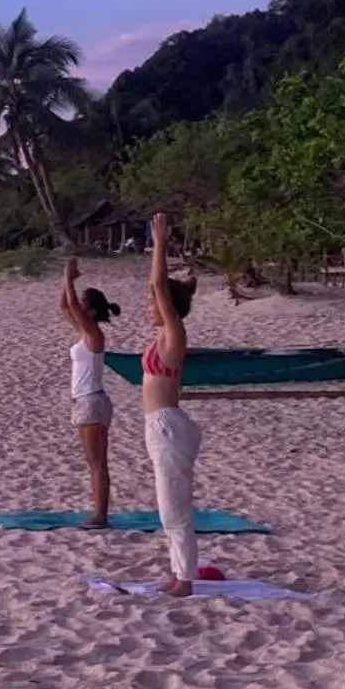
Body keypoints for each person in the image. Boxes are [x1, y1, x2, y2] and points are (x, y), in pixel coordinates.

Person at [143, 210, 201, 595]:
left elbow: (158, 286)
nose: (151, 306)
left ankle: (186, 579)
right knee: (168, 507)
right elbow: (158, 290)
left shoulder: (174, 336)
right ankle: (178, 572)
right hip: (160, 425)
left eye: (157, 303)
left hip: (168, 425)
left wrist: (160, 243)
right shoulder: (164, 335)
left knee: (173, 508)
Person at [60, 256, 121, 526]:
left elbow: (71, 304)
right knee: (93, 461)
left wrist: (69, 277)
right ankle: (99, 513)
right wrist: (68, 283)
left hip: (91, 401)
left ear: (93, 312)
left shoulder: (95, 335)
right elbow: (65, 305)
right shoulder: (86, 334)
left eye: (85, 305)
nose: (80, 309)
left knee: (98, 462)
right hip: (86, 401)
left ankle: (100, 516)